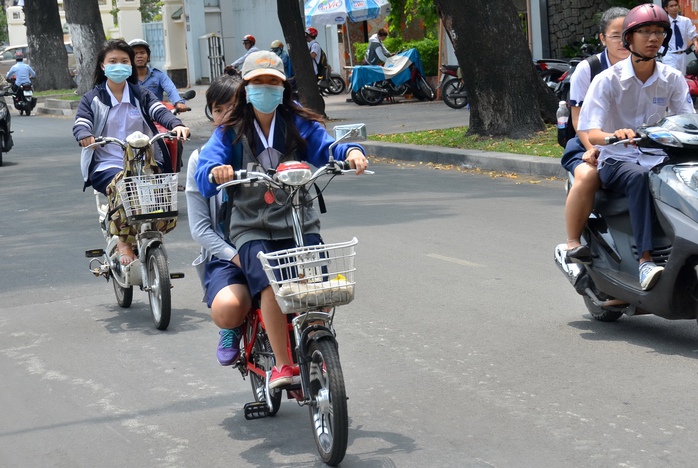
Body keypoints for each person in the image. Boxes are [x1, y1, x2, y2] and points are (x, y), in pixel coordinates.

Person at [195, 51, 368, 388]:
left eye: (272, 81)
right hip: (251, 226)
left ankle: (314, 337)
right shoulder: (230, 131)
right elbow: (205, 170)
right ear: (246, 88)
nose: (265, 88)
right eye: (258, 82)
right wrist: (216, 171)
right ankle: (284, 366)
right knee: (274, 287)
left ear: (283, 86)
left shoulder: (297, 122)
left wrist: (351, 152)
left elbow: (326, 148)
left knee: (316, 287)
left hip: (299, 221)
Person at [578, 3, 695, 290]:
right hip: (617, 160)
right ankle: (645, 261)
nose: (653, 38)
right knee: (640, 177)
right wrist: (612, 136)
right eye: (645, 31)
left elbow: (688, 120)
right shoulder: (607, 80)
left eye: (659, 32)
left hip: (661, 158)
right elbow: (590, 130)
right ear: (629, 38)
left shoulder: (672, 79)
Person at [73, 39, 189, 265]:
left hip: (144, 162)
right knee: (122, 185)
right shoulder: (93, 98)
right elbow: (81, 122)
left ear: (131, 66)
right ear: (102, 66)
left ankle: (154, 253)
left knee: (160, 196)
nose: (119, 65)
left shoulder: (141, 94)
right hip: (107, 163)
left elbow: (159, 112)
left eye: (124, 61)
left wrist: (176, 125)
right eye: (113, 61)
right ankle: (123, 243)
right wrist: (84, 134)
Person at [186, 75, 251, 366]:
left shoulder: (264, 148)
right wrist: (235, 256)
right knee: (229, 308)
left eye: (234, 107)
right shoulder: (200, 160)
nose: (226, 116)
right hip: (228, 256)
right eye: (218, 109)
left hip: (272, 244)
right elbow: (200, 229)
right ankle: (231, 329)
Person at [560, 7, 630, 263]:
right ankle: (572, 242)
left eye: (629, 34)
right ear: (602, 38)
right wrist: (594, 149)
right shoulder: (588, 69)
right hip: (590, 141)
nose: (623, 42)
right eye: (615, 35)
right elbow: (579, 120)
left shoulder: (651, 66)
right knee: (589, 176)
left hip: (633, 144)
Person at [128, 38, 188, 113]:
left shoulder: (158, 75)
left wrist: (178, 102)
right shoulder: (126, 78)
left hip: (157, 115)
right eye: (135, 53)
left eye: (142, 53)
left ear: (148, 56)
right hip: (134, 116)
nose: (139, 56)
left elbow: (171, 89)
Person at [661, 0, 698, 74]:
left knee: (681, 79)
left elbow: (692, 34)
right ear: (666, 8)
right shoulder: (664, 23)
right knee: (673, 75)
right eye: (671, 6)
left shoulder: (685, 21)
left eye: (675, 5)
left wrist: (696, 44)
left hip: (682, 55)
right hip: (669, 54)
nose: (674, 8)